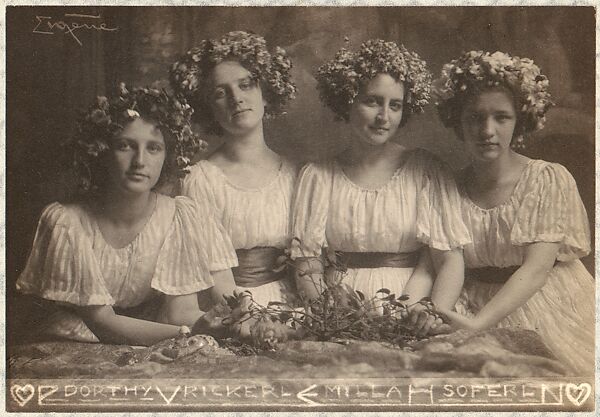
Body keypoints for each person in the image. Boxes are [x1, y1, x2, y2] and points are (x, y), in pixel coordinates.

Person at [16, 84, 239, 346]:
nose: (140, 161)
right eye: (125, 146)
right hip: (73, 342)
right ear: (101, 151)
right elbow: (103, 323)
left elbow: (181, 312)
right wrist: (193, 334)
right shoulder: (67, 223)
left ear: (168, 157)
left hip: (151, 338)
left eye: (154, 148)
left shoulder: (180, 216)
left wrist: (220, 325)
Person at [432, 50, 594, 374]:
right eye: (475, 117)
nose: (487, 130)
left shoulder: (547, 179)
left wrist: (478, 324)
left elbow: (535, 270)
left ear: (519, 119)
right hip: (473, 301)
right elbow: (449, 263)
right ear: (458, 120)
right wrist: (441, 313)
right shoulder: (448, 187)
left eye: (501, 117)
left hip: (546, 304)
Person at [291, 39, 470, 327]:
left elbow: (449, 259)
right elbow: (307, 264)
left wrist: (427, 312)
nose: (383, 117)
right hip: (338, 314)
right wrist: (331, 313)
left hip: (413, 308)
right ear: (346, 101)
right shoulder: (318, 176)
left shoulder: (425, 170)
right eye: (372, 101)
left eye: (395, 105)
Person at [170, 31, 299, 308]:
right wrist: (249, 318)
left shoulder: (295, 173)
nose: (236, 98)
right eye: (220, 92)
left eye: (246, 85)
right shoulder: (200, 179)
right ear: (208, 109)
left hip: (294, 305)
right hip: (230, 306)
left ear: (265, 93)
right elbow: (217, 276)